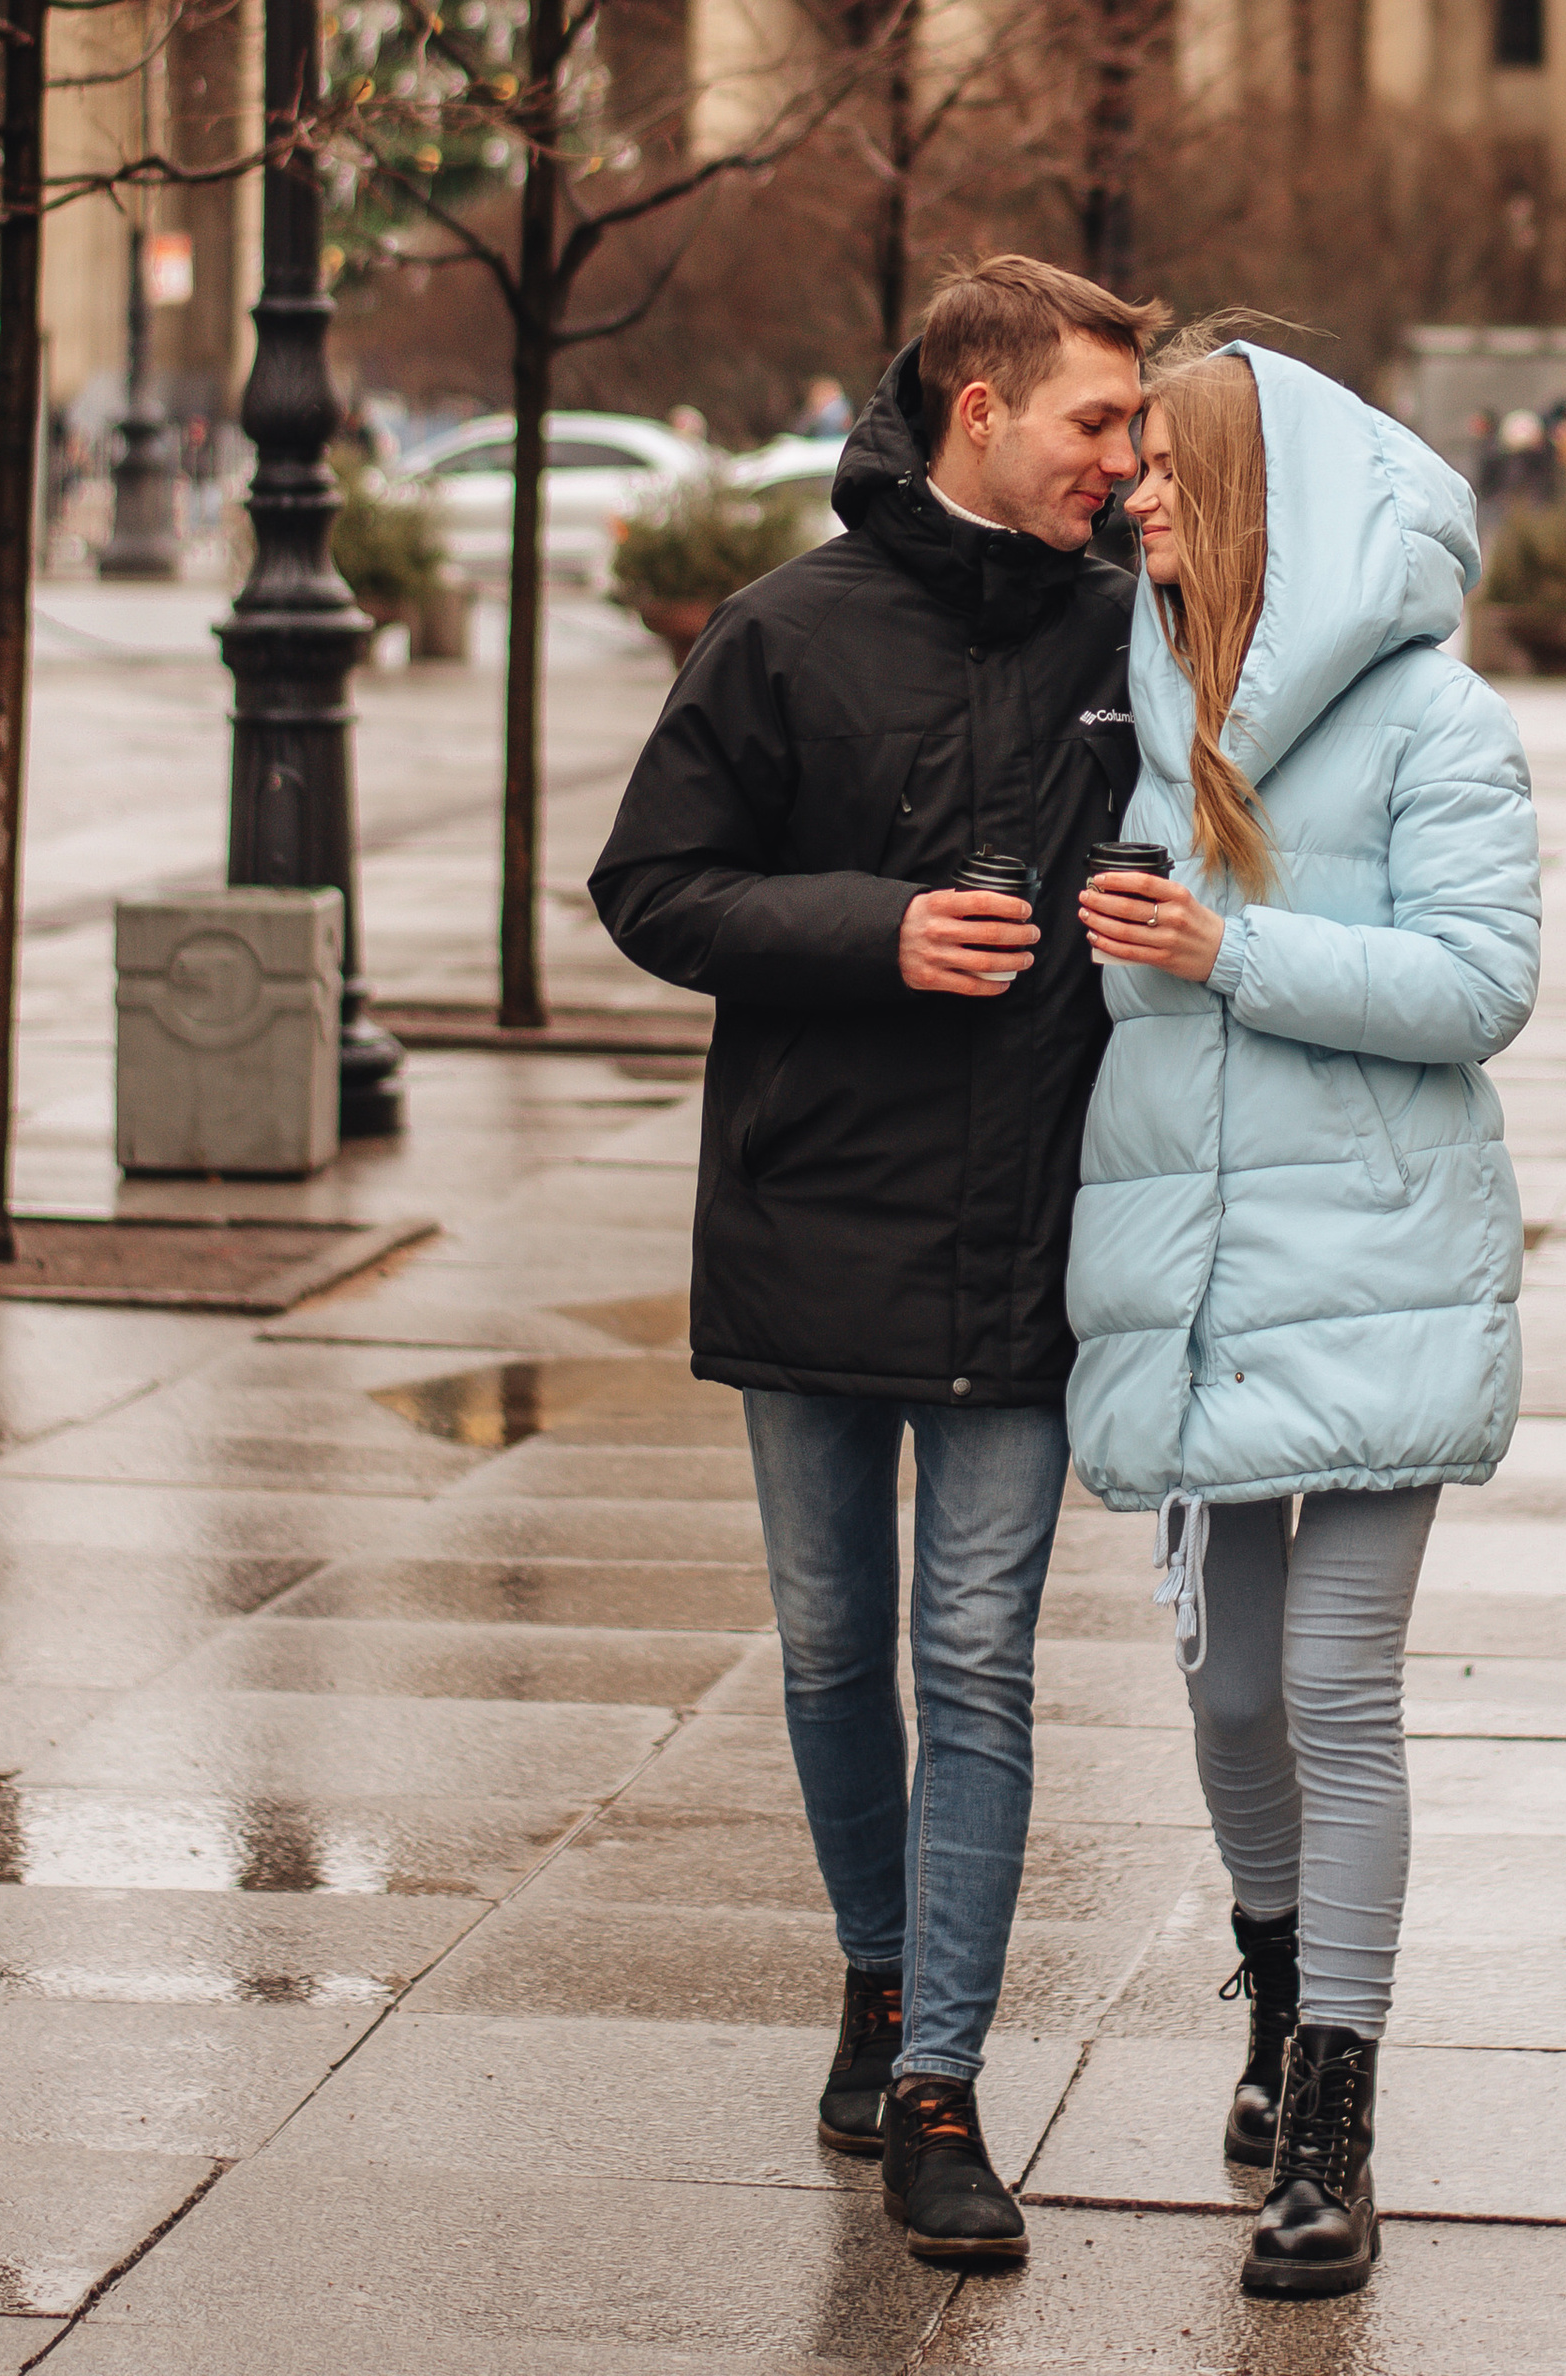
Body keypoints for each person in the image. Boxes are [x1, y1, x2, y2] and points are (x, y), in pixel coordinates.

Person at [589, 253, 1165, 2277]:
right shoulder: (782, 630)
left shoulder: (1139, 639)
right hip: (809, 1209)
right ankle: (873, 1969)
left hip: (1026, 1226)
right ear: (977, 405)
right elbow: (650, 889)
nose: (1125, 455)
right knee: (833, 1651)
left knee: (977, 1658)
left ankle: (937, 2085)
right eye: (1096, 419)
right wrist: (881, 930)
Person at [1069, 345, 1540, 2304]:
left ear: (1260, 491)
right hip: (1189, 1282)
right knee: (1228, 1691)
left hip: (1377, 1269)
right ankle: (1272, 1991)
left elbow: (1482, 981)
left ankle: (1329, 2113)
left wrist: (1227, 946)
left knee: (1336, 1687)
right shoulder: (1137, 696)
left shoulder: (1436, 717)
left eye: (1169, 470)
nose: (1135, 497)